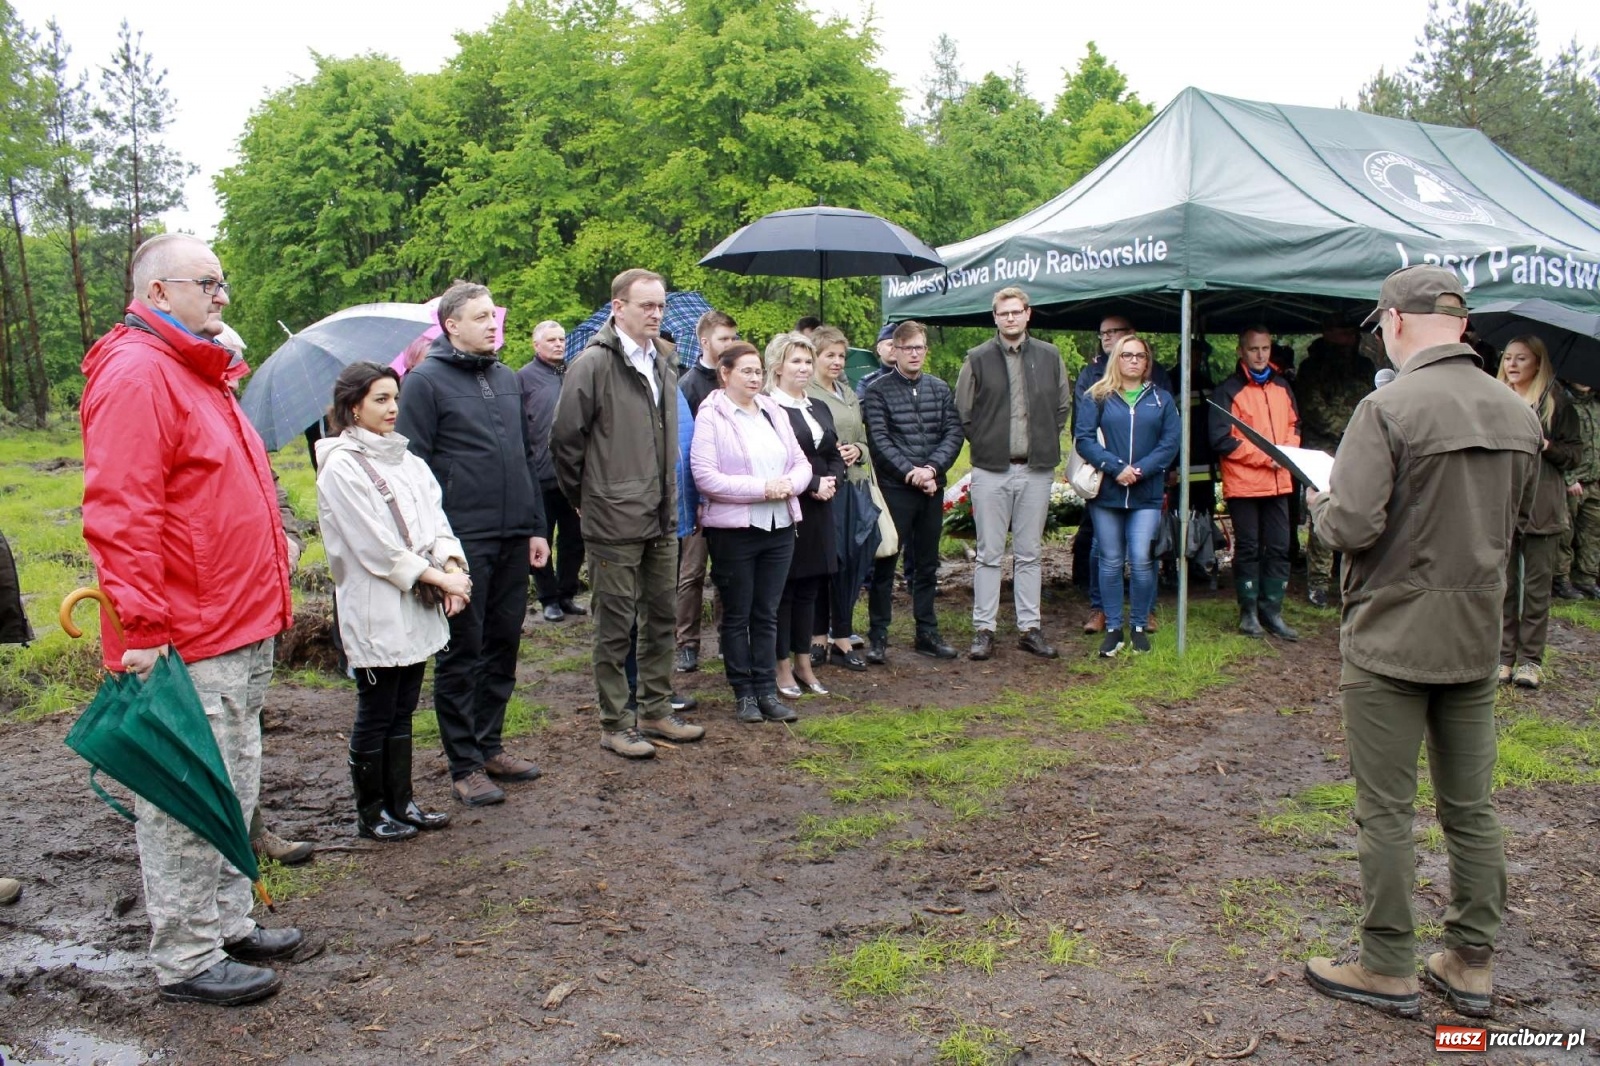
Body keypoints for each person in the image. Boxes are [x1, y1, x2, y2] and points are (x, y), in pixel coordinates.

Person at [1304, 265, 1542, 1020]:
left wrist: (1318, 503)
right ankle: (1471, 961)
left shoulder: (1388, 407)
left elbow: (1352, 526)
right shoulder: (1516, 414)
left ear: (1395, 323)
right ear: (1462, 326)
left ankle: (1386, 964)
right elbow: (1520, 525)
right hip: (1475, 637)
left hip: (1391, 640)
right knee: (1471, 808)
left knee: (1386, 810)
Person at [81, 233, 300, 1006]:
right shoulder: (139, 375)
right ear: (156, 292)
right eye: (207, 282)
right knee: (183, 795)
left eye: (222, 281)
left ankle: (229, 920)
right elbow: (121, 513)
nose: (222, 295)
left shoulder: (199, 371)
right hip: (185, 635)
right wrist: (141, 631)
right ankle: (186, 954)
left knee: (235, 784)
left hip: (238, 620)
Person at [394, 281, 549, 806]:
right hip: (460, 540)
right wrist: (434, 550)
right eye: (480, 317)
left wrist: (536, 525)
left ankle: (491, 745)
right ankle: (464, 765)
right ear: (451, 324)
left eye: (494, 316)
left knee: (504, 641)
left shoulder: (506, 377)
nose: (492, 324)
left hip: (512, 534)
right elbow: (412, 470)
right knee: (464, 649)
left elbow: (527, 457)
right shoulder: (424, 383)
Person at [552, 269, 705, 758]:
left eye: (660, 305)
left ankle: (656, 710)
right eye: (646, 306)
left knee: (661, 615)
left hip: (662, 515)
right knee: (615, 625)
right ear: (618, 307)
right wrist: (588, 498)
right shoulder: (592, 364)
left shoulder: (663, 359)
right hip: (612, 519)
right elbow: (564, 441)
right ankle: (615, 722)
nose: (656, 314)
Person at [316, 362, 467, 842]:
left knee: (404, 706)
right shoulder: (340, 466)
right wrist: (440, 581)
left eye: (394, 397)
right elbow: (375, 547)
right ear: (353, 405)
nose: (392, 408)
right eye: (380, 399)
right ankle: (372, 811)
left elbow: (438, 520)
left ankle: (403, 802)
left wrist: (452, 567)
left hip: (417, 601)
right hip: (375, 603)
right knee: (377, 707)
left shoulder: (409, 461)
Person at [213, 325, 316, 867]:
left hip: (259, 599)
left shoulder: (235, 418)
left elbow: (274, 494)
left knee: (246, 729)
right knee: (221, 737)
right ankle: (232, 841)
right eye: (231, 358)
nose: (238, 368)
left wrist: (291, 537)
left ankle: (252, 832)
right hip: (215, 606)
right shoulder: (184, 408)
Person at [690, 342, 812, 724]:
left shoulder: (773, 411)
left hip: (778, 524)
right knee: (737, 614)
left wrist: (789, 485)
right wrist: (762, 489)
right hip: (735, 530)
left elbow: (801, 462)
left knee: (767, 612)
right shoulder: (712, 415)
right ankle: (743, 693)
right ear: (724, 373)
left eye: (758, 370)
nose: (755, 377)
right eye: (746, 370)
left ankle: (766, 689)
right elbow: (706, 476)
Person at [956, 286, 1070, 661]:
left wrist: (1041, 442)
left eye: (1016, 312)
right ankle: (983, 629)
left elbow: (1062, 407)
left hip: (1035, 468)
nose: (1010, 318)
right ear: (995, 317)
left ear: (1027, 314)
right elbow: (964, 413)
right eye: (1003, 313)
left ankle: (1029, 627)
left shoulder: (1050, 357)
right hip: (991, 470)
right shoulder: (977, 358)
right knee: (988, 553)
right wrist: (989, 444)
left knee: (1030, 553)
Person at [862, 321, 964, 664]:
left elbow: (953, 432)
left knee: (926, 564)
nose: (916, 354)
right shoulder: (878, 391)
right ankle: (878, 635)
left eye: (920, 347)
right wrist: (911, 474)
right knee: (886, 563)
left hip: (932, 487)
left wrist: (932, 470)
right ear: (895, 351)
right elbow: (880, 440)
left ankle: (927, 632)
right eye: (908, 348)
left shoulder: (938, 387)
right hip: (896, 490)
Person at [1074, 333, 1182, 657]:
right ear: (1116, 360)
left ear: (1147, 362)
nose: (1133, 361)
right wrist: (1115, 467)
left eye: (1140, 356)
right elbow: (1084, 439)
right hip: (1107, 491)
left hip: (1146, 493)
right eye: (1127, 355)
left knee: (1140, 558)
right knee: (1109, 561)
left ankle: (1137, 626)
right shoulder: (1097, 396)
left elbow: (1170, 443)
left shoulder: (1162, 400)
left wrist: (1141, 470)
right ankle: (1113, 628)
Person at [1496, 336, 1581, 689]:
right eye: (1508, 358)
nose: (1512, 365)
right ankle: (1502, 656)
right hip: (1501, 502)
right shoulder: (1494, 398)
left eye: (1522, 359)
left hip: (1542, 505)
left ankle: (1530, 660)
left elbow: (1575, 455)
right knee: (1502, 586)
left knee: (1535, 588)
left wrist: (1545, 444)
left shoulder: (1557, 402)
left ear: (1538, 363)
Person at [1208, 326, 1301, 641]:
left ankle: (1272, 610)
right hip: (1245, 484)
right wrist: (1267, 456)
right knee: (1248, 549)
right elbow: (1221, 439)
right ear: (1241, 351)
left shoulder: (1283, 387)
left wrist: (1285, 453)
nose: (1260, 355)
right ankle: (1248, 612)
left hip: (1279, 482)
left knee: (1279, 547)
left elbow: (1294, 425)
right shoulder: (1227, 391)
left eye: (1265, 349)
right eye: (1253, 349)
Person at [767, 333, 845, 697]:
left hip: (822, 507)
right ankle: (780, 666)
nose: (804, 368)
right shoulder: (768, 408)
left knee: (810, 589)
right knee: (784, 590)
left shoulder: (818, 406)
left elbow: (833, 451)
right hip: (790, 506)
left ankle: (804, 662)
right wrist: (811, 482)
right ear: (777, 366)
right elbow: (777, 460)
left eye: (807, 361)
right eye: (796, 361)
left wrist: (832, 481)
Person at [1293, 318, 1376, 607]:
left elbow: (1372, 401)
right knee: (1322, 509)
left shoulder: (1364, 366)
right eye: (1342, 331)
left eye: (1351, 332)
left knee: (1357, 510)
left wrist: (1357, 433)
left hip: (1359, 445)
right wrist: (1343, 429)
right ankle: (1318, 581)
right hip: (1323, 448)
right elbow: (1311, 405)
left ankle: (1352, 579)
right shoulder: (1312, 367)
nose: (1347, 337)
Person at [675, 310, 740, 673]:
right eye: (723, 339)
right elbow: (683, 449)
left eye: (734, 338)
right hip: (698, 495)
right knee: (692, 572)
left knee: (728, 570)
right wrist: (692, 500)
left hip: (734, 492)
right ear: (705, 342)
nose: (730, 345)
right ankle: (687, 642)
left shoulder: (737, 380)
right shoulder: (688, 384)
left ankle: (726, 638)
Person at [807, 326, 874, 670]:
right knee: (824, 563)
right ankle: (817, 637)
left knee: (852, 561)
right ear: (815, 356)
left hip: (856, 486)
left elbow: (863, 438)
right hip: (823, 489)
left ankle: (843, 635)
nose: (836, 361)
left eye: (840, 356)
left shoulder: (848, 392)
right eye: (829, 355)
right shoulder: (806, 393)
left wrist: (857, 450)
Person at [518, 320, 587, 622]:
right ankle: (547, 597)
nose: (559, 344)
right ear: (537, 345)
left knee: (574, 538)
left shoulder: (576, 374)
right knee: (541, 538)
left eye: (561, 339)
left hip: (574, 476)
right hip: (539, 475)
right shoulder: (523, 379)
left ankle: (567, 593)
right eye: (551, 340)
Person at [1553, 380, 1600, 600]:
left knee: (1591, 532)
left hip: (1594, 480)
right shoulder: (1561, 403)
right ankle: (1560, 580)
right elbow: (1560, 444)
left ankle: (1586, 578)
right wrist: (1570, 478)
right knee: (1565, 532)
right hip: (1571, 480)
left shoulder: (1595, 405)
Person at [855, 322, 898, 400]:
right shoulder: (868, 382)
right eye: (890, 344)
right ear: (879, 350)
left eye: (897, 345)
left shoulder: (910, 379)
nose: (894, 348)